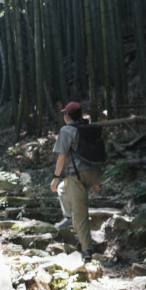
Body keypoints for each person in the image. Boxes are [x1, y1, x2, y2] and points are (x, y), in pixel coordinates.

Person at [50, 101, 102, 263]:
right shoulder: (88, 130)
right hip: (92, 172)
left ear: (67, 115)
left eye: (64, 114)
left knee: (80, 214)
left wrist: (55, 177)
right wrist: (96, 181)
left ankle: (87, 250)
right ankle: (68, 217)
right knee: (62, 190)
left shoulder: (67, 130)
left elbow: (62, 156)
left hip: (77, 176)